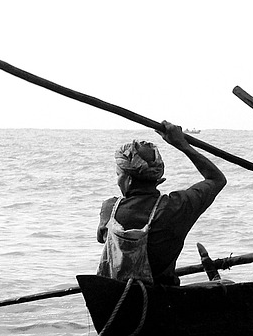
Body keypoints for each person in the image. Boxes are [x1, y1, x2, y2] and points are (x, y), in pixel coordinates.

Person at [96, 121, 226, 285]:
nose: (117, 181)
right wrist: (182, 145)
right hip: (164, 296)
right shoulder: (177, 206)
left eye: (118, 175)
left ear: (128, 180)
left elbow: (102, 238)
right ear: (157, 178)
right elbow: (217, 179)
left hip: (116, 295)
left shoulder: (110, 208)